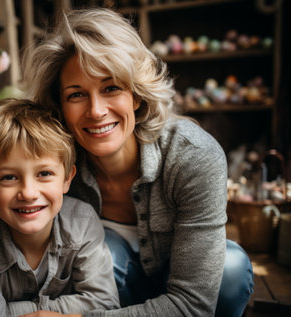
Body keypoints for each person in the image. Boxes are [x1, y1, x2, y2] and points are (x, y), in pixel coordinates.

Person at [20, 8, 254, 317]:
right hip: (114, 292)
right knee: (97, 256)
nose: (96, 111)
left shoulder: (194, 155)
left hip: (193, 293)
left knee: (230, 270)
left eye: (111, 87)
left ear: (137, 95)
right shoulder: (55, 166)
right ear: (59, 106)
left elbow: (192, 304)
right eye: (76, 95)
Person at [0, 98, 120, 316]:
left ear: (67, 179)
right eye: (9, 177)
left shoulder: (82, 222)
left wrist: (25, 312)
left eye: (44, 174)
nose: (28, 193)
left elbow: (104, 306)